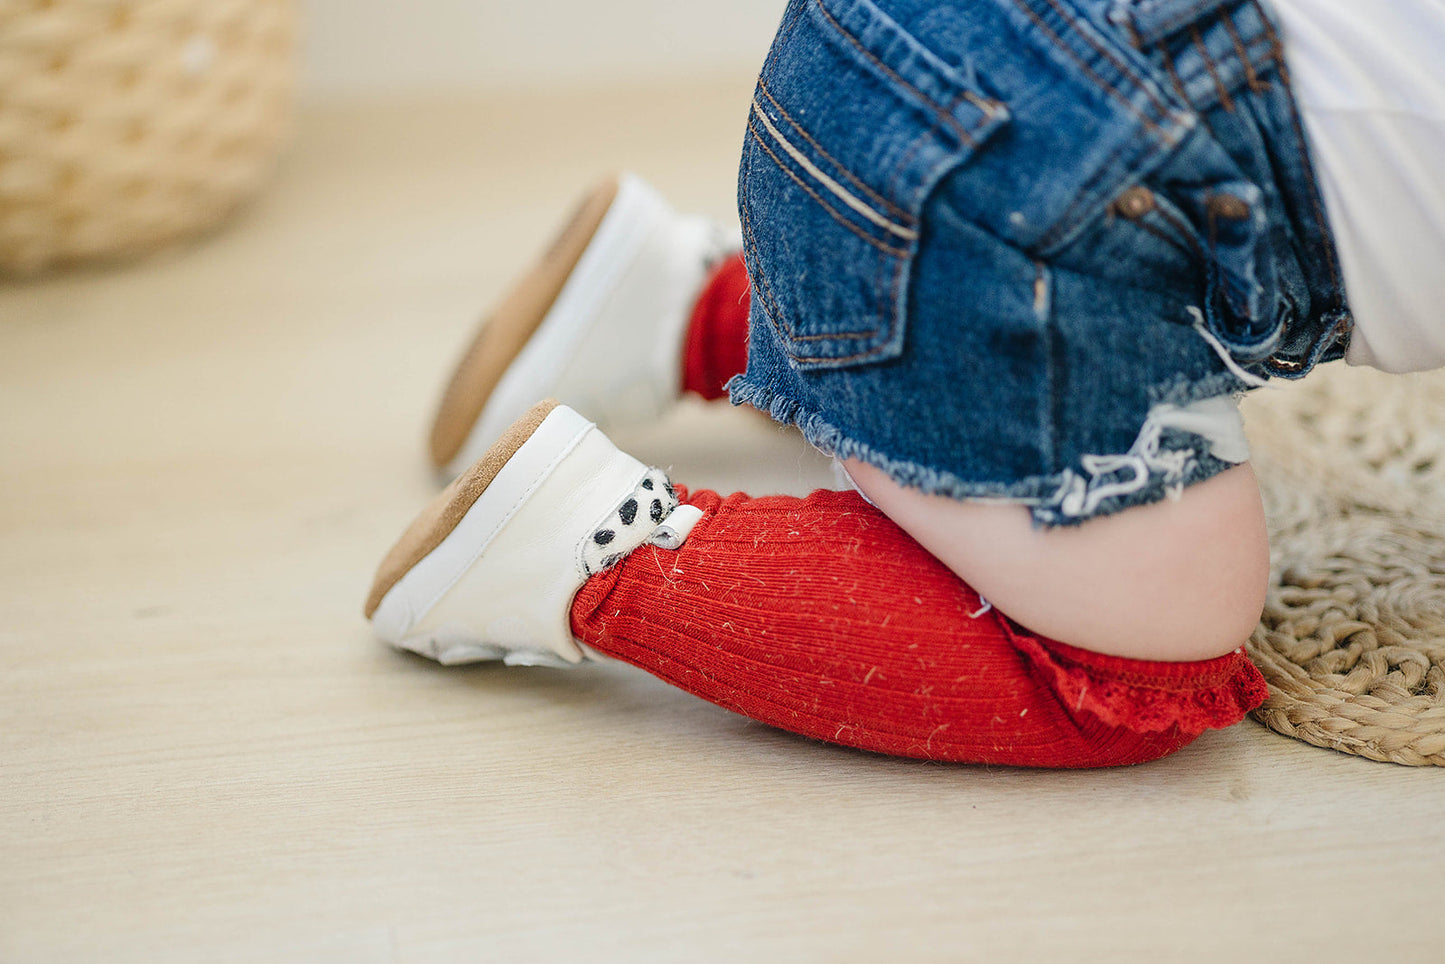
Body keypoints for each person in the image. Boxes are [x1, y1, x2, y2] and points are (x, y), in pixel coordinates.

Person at [363, 0, 1444, 766]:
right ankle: (586, 548)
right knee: (1148, 652)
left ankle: (681, 309)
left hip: (876, 73)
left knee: (961, 296)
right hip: (1020, 192)